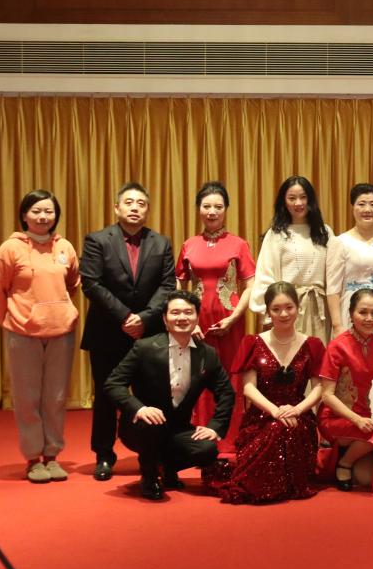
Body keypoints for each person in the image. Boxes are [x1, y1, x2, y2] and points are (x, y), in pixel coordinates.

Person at [80, 182, 176, 482]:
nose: (135, 208)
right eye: (129, 202)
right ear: (117, 207)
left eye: (141, 203)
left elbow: (167, 285)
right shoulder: (97, 240)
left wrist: (143, 319)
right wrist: (125, 317)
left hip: (148, 334)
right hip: (107, 333)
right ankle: (104, 455)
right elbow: (91, 283)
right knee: (106, 396)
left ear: (147, 209)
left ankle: (152, 453)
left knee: (152, 395)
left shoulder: (161, 243)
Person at [104, 291, 234, 500]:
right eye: (175, 313)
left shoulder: (207, 354)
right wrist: (139, 408)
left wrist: (214, 427)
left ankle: (167, 466)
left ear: (197, 317)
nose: (182, 317)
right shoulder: (144, 347)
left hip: (177, 429)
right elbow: (113, 384)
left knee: (207, 449)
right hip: (141, 427)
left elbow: (226, 391)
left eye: (188, 312)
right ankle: (149, 475)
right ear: (165, 319)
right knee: (152, 424)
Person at [0, 190, 80, 483]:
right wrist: (10, 320)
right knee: (27, 398)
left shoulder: (64, 246)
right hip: (23, 333)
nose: (43, 217)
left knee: (55, 398)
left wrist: (61, 308)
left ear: (56, 215)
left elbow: (73, 282)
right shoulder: (9, 249)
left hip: (61, 332)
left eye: (48, 211)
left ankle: (52, 455)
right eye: (36, 211)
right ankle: (32, 459)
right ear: (24, 215)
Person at [211, 281, 325, 504]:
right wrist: (275, 411)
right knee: (276, 427)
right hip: (262, 416)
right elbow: (248, 388)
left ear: (298, 308)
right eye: (276, 309)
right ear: (268, 312)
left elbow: (319, 388)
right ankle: (263, 484)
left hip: (299, 416)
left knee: (287, 428)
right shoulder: (253, 343)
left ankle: (268, 484)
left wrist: (296, 410)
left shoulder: (313, 344)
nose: (283, 314)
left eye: (289, 307)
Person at [175, 181, 256, 429]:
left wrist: (233, 318)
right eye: (206, 206)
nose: (212, 212)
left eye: (218, 207)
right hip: (196, 322)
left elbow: (250, 286)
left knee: (230, 375)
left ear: (226, 209)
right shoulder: (189, 244)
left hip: (230, 321)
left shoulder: (239, 244)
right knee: (197, 374)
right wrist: (188, 322)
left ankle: (230, 434)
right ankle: (199, 431)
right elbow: (179, 286)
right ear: (198, 209)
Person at [317, 288, 373, 494]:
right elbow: (327, 395)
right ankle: (344, 462)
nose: (369, 318)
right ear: (351, 314)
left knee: (365, 478)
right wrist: (356, 419)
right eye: (363, 312)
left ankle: (346, 457)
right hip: (334, 418)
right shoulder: (337, 346)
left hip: (363, 418)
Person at [251, 176, 331, 342]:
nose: (298, 203)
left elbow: (334, 275)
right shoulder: (276, 234)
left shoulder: (325, 232)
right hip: (286, 310)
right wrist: (269, 312)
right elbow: (265, 274)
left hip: (320, 311)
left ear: (310, 199)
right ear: (284, 201)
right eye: (292, 198)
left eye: (303, 197)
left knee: (318, 355)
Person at [326, 183, 373, 339]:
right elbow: (333, 288)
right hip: (352, 309)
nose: (367, 209)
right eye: (361, 204)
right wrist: (337, 325)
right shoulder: (339, 242)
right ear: (353, 207)